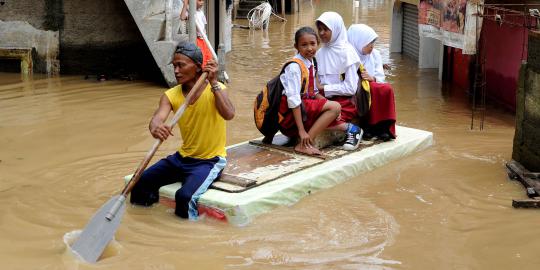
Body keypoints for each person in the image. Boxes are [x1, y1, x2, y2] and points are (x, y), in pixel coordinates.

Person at [130, 42, 235, 220]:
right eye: (174, 66)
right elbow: (157, 118)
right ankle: (143, 221)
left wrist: (215, 82)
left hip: (209, 161)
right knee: (141, 182)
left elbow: (229, 114)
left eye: (181, 65)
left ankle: (187, 234)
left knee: (185, 197)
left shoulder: (216, 89)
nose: (176, 71)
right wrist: (156, 127)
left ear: (197, 67)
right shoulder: (171, 95)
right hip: (182, 158)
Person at [278, 26, 353, 155]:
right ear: (296, 46)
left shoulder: (310, 62)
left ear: (318, 44)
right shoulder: (294, 67)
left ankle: (307, 140)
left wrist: (327, 104)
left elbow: (314, 92)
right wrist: (301, 131)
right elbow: (293, 101)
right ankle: (305, 144)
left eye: (312, 44)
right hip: (289, 114)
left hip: (302, 106)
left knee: (335, 107)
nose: (309, 48)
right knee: (334, 107)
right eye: (304, 45)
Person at [315, 12, 363, 150]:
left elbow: (350, 88)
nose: (322, 33)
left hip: (344, 100)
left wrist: (324, 88)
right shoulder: (319, 53)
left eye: (326, 29)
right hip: (323, 98)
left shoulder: (347, 52)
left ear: (336, 29)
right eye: (320, 29)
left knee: (323, 118)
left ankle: (353, 130)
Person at [347, 24, 396, 140]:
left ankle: (383, 127)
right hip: (354, 88)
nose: (372, 47)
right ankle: (369, 127)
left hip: (371, 85)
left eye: (373, 43)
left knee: (385, 88)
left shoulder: (375, 55)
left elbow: (380, 77)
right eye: (369, 43)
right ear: (359, 41)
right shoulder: (348, 55)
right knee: (367, 89)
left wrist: (372, 78)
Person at [180, 0, 212, 67]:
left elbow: (203, 27)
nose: (202, 2)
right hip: (196, 39)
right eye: (200, 0)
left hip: (203, 38)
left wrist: (205, 37)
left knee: (209, 56)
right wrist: (185, 4)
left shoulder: (201, 12)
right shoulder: (190, 12)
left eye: (203, 1)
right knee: (202, 58)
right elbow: (182, 17)